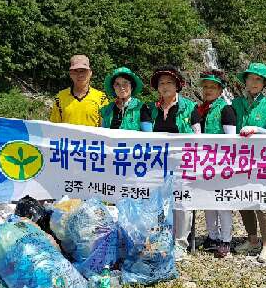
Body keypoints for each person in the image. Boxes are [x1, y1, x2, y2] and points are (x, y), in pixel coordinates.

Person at [149, 65, 201, 259]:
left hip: (184, 162)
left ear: (177, 85)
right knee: (160, 201)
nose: (165, 86)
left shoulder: (191, 107)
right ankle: (162, 238)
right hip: (158, 163)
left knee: (183, 202)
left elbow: (198, 135)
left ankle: (180, 242)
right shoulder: (151, 109)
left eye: (169, 82)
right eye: (161, 83)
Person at [230, 62, 266, 262]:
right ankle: (252, 239)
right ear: (246, 81)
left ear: (264, 83)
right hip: (239, 158)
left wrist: (255, 129)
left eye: (259, 79)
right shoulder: (236, 103)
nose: (254, 82)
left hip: (262, 160)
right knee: (244, 198)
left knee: (261, 200)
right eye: (251, 78)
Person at [198, 70, 237, 258]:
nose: (208, 90)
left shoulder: (226, 109)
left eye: (212, 87)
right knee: (208, 202)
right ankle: (212, 236)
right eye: (205, 87)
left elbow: (230, 140)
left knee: (222, 202)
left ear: (220, 90)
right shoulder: (200, 109)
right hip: (204, 162)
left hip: (221, 163)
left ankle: (226, 239)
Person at [50, 54, 109, 126]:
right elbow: (54, 128)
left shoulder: (101, 98)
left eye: (83, 71)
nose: (79, 75)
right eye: (75, 71)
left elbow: (105, 128)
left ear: (90, 73)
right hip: (67, 137)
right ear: (70, 74)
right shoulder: (60, 98)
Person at [100, 67, 152, 131]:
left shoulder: (141, 108)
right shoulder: (108, 109)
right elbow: (102, 134)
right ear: (114, 88)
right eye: (117, 84)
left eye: (125, 83)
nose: (121, 87)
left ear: (132, 87)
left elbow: (148, 135)